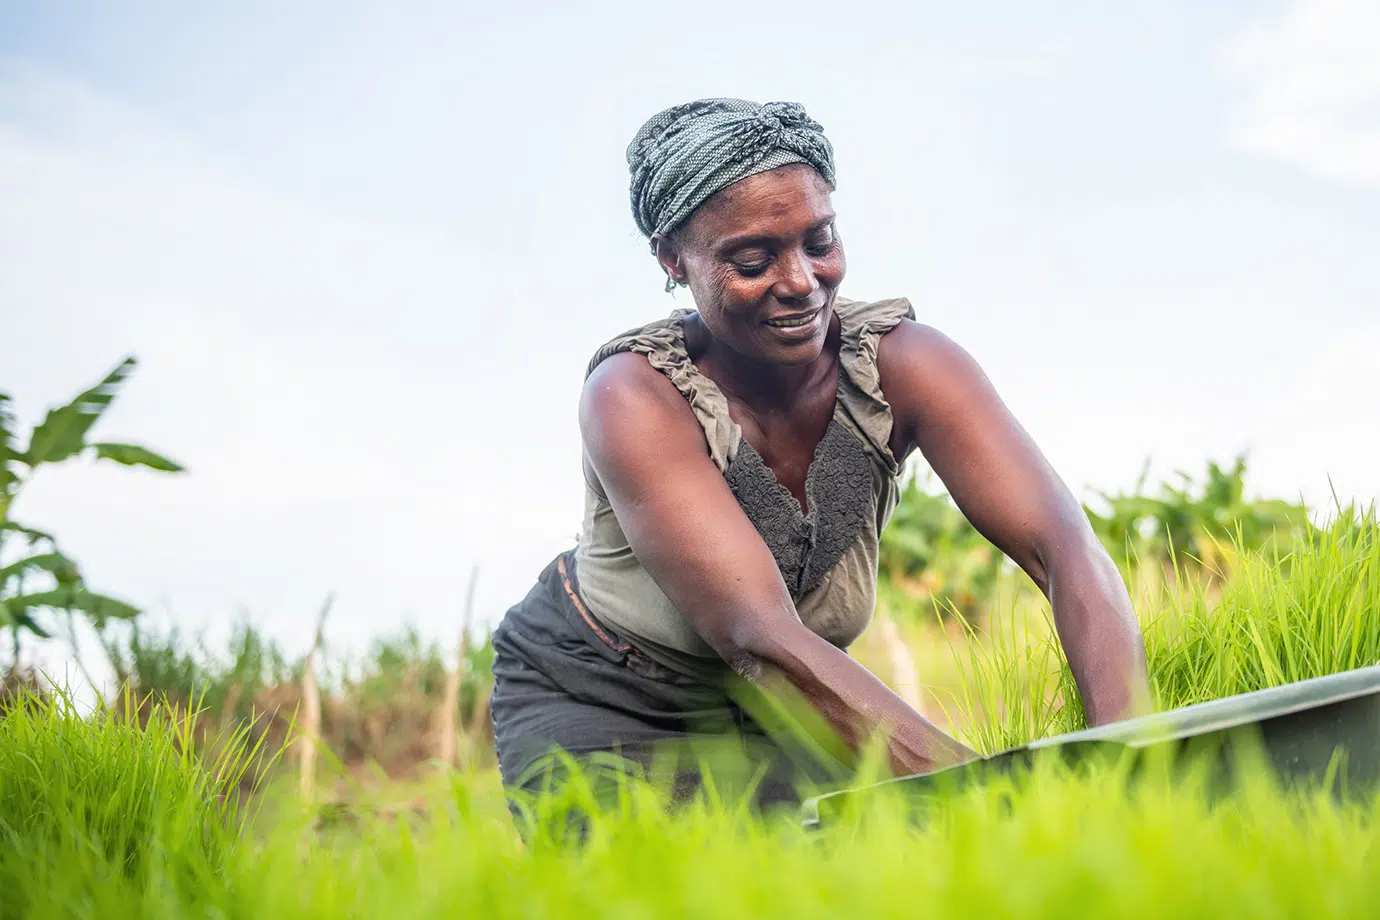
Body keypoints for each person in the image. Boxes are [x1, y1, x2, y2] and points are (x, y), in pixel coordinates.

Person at [490, 97, 1151, 812]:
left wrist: (1130, 760)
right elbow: (760, 636)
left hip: (785, 704)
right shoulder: (635, 397)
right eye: (752, 259)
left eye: (819, 240)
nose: (802, 281)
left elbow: (1064, 546)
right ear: (673, 260)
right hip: (607, 695)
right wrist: (995, 800)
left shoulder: (904, 366)